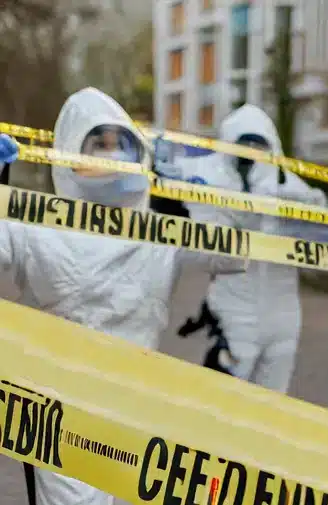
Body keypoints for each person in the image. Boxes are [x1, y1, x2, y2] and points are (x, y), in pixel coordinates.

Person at [0, 88, 248, 505]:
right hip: (65, 416)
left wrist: (192, 203)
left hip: (139, 406)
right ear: (69, 153)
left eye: (121, 143)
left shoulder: (159, 233)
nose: (111, 154)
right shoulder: (37, 227)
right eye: (99, 143)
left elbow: (233, 254)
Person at [177, 104, 328, 392]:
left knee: (270, 413)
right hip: (234, 318)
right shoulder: (212, 188)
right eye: (242, 144)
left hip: (284, 320)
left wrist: (316, 209)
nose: (249, 152)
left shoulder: (287, 185)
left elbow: (323, 241)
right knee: (223, 410)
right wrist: (240, 220)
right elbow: (195, 251)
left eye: (257, 145)